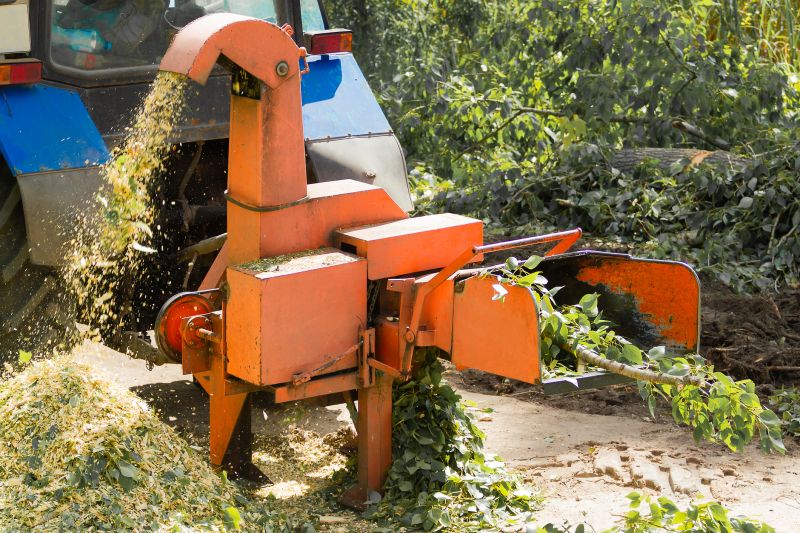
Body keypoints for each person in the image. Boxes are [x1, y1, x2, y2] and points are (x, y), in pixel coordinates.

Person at [57, 0, 165, 56]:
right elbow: (64, 21)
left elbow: (122, 47)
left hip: (103, 69)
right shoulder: (85, 3)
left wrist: (103, 44)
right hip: (62, 55)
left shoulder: (143, 14)